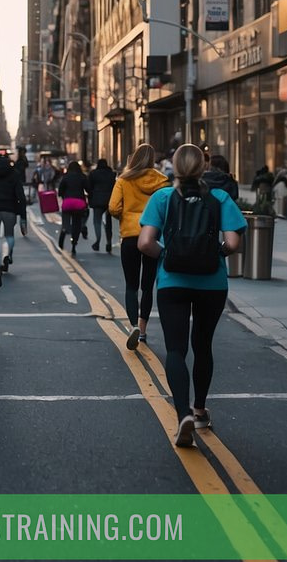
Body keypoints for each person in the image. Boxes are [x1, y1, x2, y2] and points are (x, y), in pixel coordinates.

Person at [137, 143, 247, 447]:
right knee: (203, 345)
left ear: (175, 166)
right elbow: (234, 243)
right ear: (203, 167)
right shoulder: (220, 197)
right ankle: (199, 410)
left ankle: (182, 412)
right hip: (211, 283)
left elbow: (145, 243)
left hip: (173, 282)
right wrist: (216, 254)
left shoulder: (162, 197)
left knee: (175, 350)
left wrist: (167, 256)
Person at [109, 144, 170, 349]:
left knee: (131, 285)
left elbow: (113, 207)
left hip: (129, 237)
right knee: (147, 285)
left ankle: (133, 325)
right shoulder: (161, 181)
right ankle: (143, 330)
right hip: (152, 236)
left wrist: (124, 216)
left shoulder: (123, 180)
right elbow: (167, 208)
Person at [85, 158, 118, 252]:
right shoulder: (112, 174)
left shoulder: (93, 174)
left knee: (97, 221)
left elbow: (89, 187)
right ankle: (109, 242)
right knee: (109, 223)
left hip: (97, 200)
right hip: (109, 200)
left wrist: (91, 197)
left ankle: (98, 241)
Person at [56, 161, 88, 256]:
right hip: (79, 202)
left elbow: (60, 190)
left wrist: (63, 196)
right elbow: (88, 188)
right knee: (77, 223)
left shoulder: (66, 177)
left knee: (65, 221)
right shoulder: (82, 177)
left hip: (68, 202)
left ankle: (65, 229)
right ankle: (74, 243)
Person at [13, 146, 30, 236]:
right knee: (22, 203)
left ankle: (21, 223)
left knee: (20, 204)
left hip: (19, 183)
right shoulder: (22, 160)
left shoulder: (20, 160)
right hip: (19, 183)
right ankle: (22, 223)